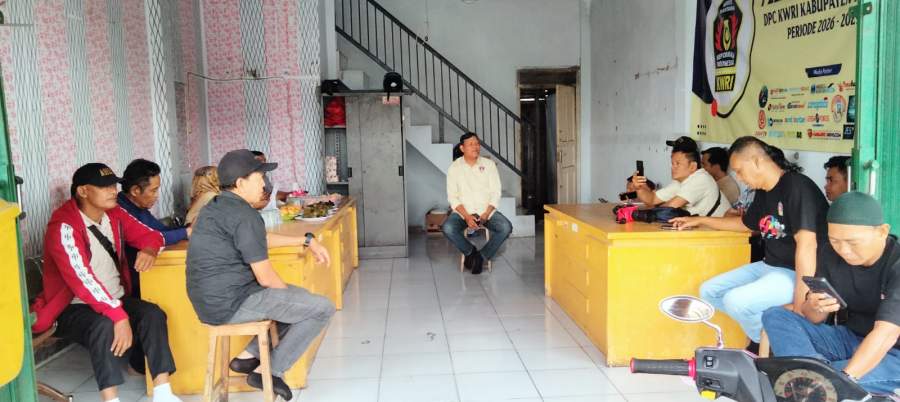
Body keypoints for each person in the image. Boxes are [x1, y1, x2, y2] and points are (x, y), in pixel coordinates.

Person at [186, 149, 335, 401]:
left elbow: (259, 239)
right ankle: (269, 372)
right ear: (240, 183)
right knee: (320, 308)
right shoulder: (244, 214)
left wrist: (306, 240)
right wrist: (292, 300)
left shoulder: (216, 206)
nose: (264, 184)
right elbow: (266, 278)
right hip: (231, 303)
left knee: (299, 300)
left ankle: (248, 357)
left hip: (209, 302)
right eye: (259, 178)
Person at [29, 163, 179, 402]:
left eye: (113, 185)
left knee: (153, 314)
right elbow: (82, 280)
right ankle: (110, 399)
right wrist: (118, 315)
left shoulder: (115, 213)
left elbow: (150, 235)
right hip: (73, 306)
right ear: (83, 191)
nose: (112, 191)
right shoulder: (64, 227)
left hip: (113, 298)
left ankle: (163, 393)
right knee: (103, 324)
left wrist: (149, 249)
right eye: (104, 187)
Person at [670, 136, 829, 351]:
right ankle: (771, 337)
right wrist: (700, 220)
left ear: (756, 161)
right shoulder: (763, 192)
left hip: (796, 272)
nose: (739, 177)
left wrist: (802, 301)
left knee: (737, 301)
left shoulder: (796, 186)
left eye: (739, 171)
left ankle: (769, 345)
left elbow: (807, 247)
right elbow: (745, 224)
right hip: (770, 266)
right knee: (709, 291)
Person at [762, 192, 900, 396]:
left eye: (853, 242)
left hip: (893, 353)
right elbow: (814, 318)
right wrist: (815, 306)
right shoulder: (829, 253)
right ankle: (812, 378)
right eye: (835, 240)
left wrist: (844, 378)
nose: (843, 250)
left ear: (882, 231)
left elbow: (886, 334)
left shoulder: (896, 264)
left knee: (823, 381)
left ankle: (813, 381)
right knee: (775, 316)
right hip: (849, 338)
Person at [441, 132, 513, 275]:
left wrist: (486, 214)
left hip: (486, 212)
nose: (476, 147)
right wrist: (467, 217)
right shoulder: (454, 168)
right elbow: (453, 197)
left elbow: (496, 192)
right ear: (462, 148)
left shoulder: (489, 165)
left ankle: (481, 257)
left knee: (506, 227)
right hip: (463, 213)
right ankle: (471, 252)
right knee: (448, 228)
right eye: (471, 144)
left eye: (477, 143)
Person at [118, 159, 191, 297]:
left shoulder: (139, 207)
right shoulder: (121, 209)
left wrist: (188, 228)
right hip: (131, 284)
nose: (157, 196)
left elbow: (160, 231)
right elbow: (154, 235)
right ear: (135, 190)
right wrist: (186, 232)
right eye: (153, 190)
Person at [632, 136, 729, 217]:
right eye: (672, 163)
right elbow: (652, 199)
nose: (673, 167)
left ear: (693, 166)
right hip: (705, 230)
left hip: (722, 232)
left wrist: (639, 214)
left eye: (677, 164)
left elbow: (669, 209)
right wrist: (638, 187)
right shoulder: (680, 181)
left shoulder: (701, 178)